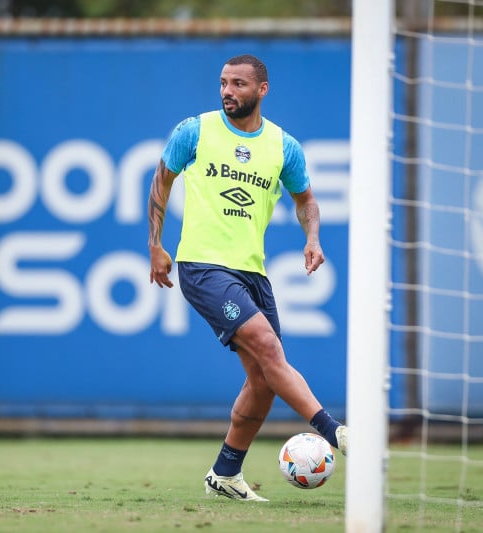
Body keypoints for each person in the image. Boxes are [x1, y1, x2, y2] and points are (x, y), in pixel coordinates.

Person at [147, 54, 347, 502]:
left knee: (262, 379)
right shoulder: (194, 130)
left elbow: (306, 200)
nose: (226, 91)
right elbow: (161, 181)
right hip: (202, 265)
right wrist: (155, 245)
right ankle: (335, 433)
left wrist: (312, 235)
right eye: (222, 83)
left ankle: (225, 474)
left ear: (262, 90)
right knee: (269, 347)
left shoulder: (283, 146)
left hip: (252, 270)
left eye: (238, 83)